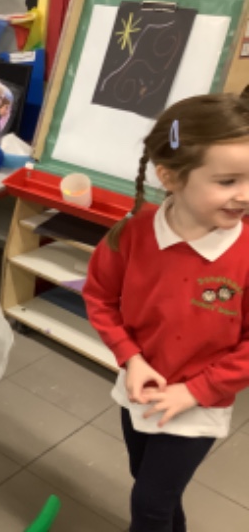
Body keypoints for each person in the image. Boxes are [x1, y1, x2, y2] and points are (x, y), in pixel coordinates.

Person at [82, 91, 249, 532]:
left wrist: (195, 392)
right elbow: (100, 298)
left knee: (150, 504)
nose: (245, 195)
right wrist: (131, 359)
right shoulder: (131, 235)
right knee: (150, 485)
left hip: (200, 401)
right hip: (140, 390)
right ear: (170, 177)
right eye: (228, 181)